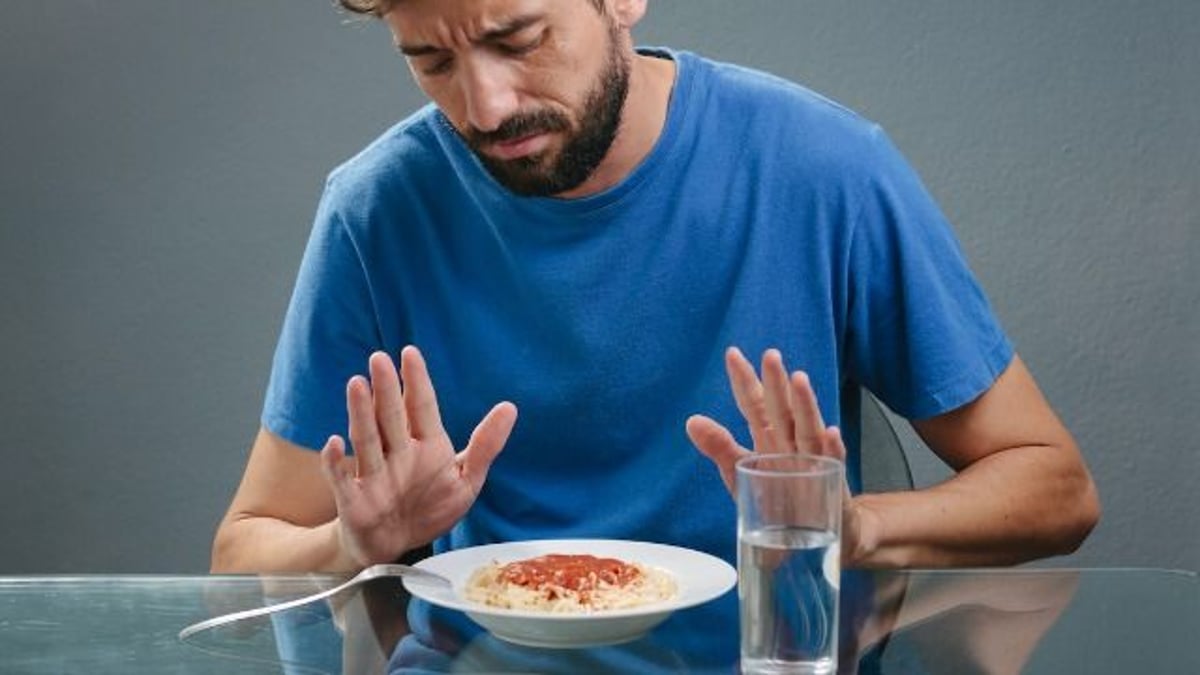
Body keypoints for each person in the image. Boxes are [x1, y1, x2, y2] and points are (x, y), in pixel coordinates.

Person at [210, 0, 1099, 578]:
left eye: (517, 39)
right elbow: (244, 544)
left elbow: (1055, 488)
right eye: (431, 62)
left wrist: (851, 527)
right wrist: (355, 544)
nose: (484, 107)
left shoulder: (822, 169)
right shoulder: (377, 210)